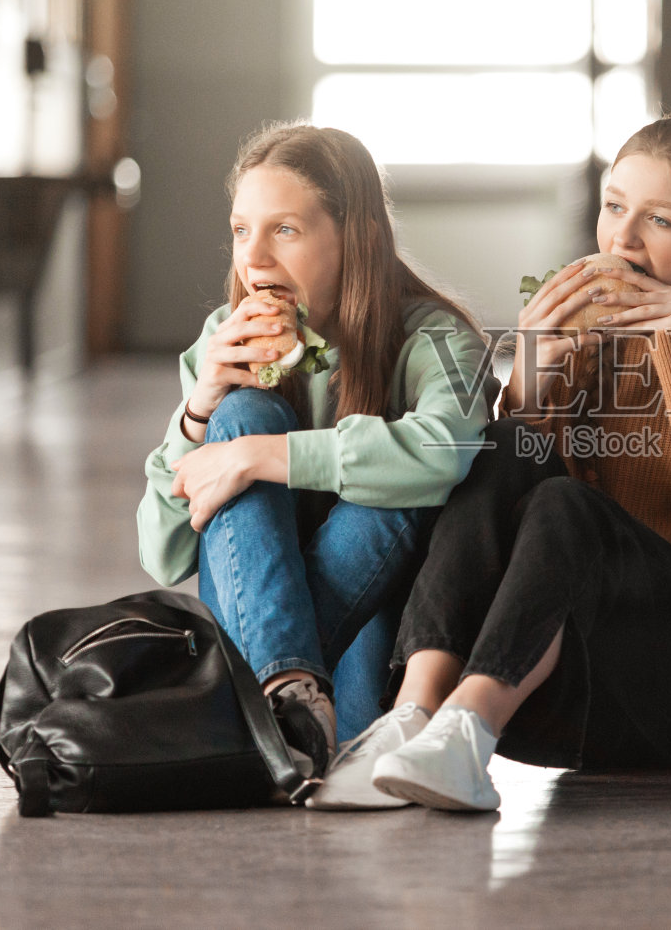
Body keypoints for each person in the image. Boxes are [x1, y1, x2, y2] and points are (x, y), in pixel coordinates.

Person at [314, 115, 671, 812]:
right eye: (614, 206)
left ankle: (468, 725)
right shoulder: (595, 333)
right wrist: (529, 378)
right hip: (609, 675)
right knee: (506, 449)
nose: (621, 239)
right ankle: (417, 715)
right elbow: (524, 519)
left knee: (568, 506)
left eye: (658, 219)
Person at [136, 123, 496, 794]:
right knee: (242, 411)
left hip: (370, 663)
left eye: (286, 230)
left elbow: (445, 452)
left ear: (353, 235)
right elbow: (163, 553)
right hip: (282, 659)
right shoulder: (226, 338)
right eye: (243, 230)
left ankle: (256, 711)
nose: (256, 259)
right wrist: (201, 408)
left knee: (396, 482)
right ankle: (286, 699)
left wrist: (258, 458)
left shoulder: (439, 338)